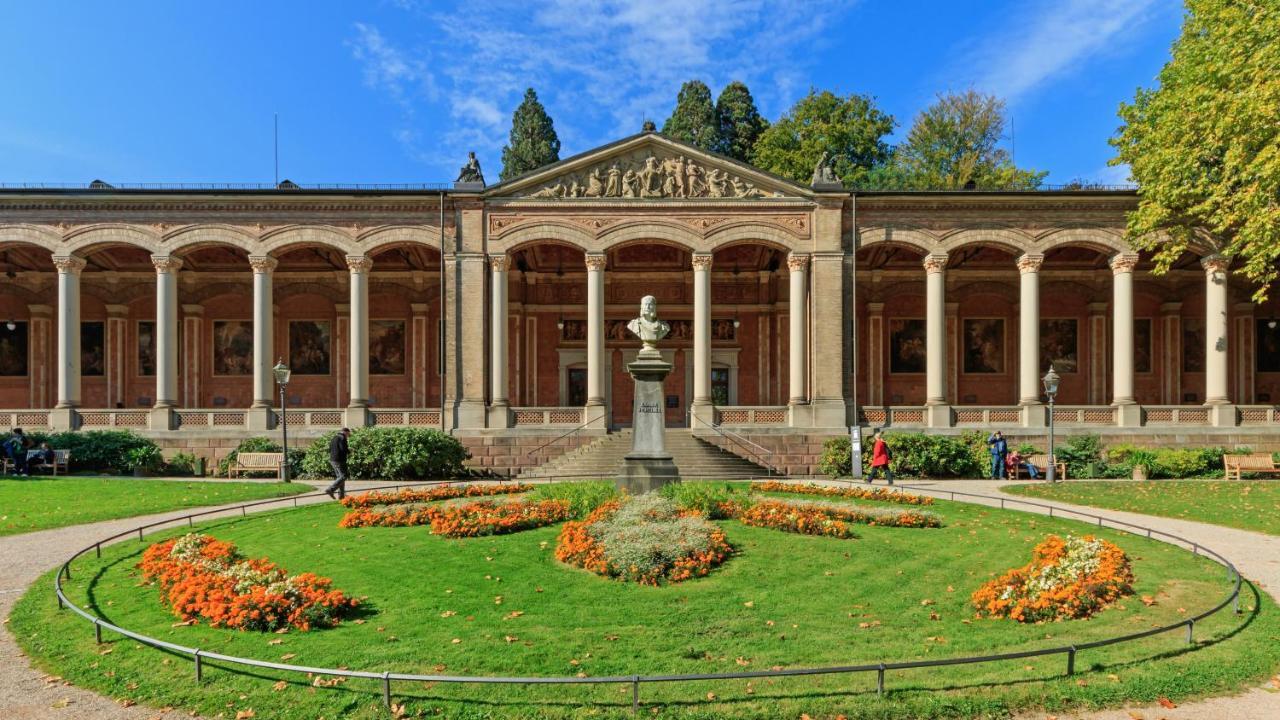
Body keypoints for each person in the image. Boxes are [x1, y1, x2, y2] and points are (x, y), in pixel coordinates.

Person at [325, 428, 351, 500]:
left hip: (332, 460)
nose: (348, 436)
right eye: (348, 434)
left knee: (340, 478)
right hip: (340, 460)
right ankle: (331, 489)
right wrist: (349, 451)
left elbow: (330, 448)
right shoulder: (342, 438)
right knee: (343, 476)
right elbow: (343, 449)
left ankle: (341, 496)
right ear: (345, 432)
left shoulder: (334, 438)